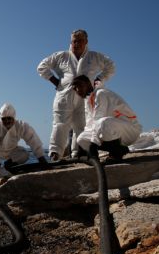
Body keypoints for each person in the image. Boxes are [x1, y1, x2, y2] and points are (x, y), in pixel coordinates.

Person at [37, 29, 115, 161]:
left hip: (85, 97)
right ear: (70, 42)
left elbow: (111, 67)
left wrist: (99, 80)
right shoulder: (61, 56)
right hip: (64, 97)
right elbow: (42, 66)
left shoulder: (94, 57)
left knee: (82, 125)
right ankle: (55, 154)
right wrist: (55, 80)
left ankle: (79, 154)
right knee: (60, 125)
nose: (76, 44)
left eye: (80, 41)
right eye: (74, 41)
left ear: (86, 42)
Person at [0, 103, 47, 182]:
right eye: (4, 119)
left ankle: (5, 170)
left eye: (9, 118)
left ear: (13, 118)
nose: (7, 121)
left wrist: (42, 159)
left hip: (11, 151)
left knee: (24, 154)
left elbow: (33, 141)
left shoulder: (22, 126)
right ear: (1, 119)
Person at [71, 75, 141, 160]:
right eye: (75, 89)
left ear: (89, 84)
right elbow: (90, 125)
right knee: (81, 139)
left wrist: (93, 145)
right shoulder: (89, 101)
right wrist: (83, 149)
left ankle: (116, 153)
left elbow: (98, 119)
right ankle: (119, 149)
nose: (78, 90)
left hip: (129, 130)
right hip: (112, 130)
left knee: (103, 122)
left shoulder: (101, 93)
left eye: (80, 86)